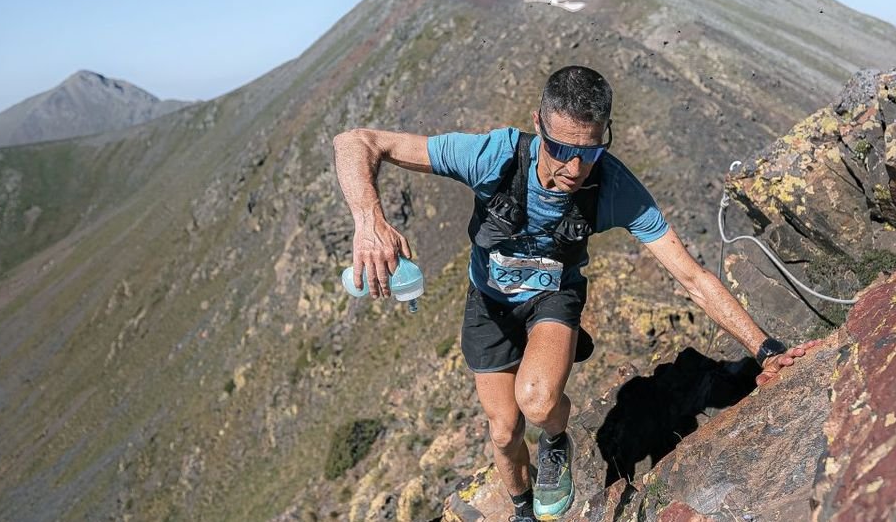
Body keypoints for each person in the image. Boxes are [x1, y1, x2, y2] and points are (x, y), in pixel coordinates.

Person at [333, 65, 815, 521]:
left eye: (590, 150)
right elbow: (356, 142)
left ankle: (557, 440)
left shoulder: (614, 187)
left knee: (537, 403)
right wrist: (369, 221)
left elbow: (691, 276)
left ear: (605, 134)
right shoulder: (493, 157)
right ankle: (523, 509)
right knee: (503, 431)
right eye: (561, 148)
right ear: (538, 124)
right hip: (490, 303)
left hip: (553, 296)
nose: (575, 166)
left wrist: (765, 349)